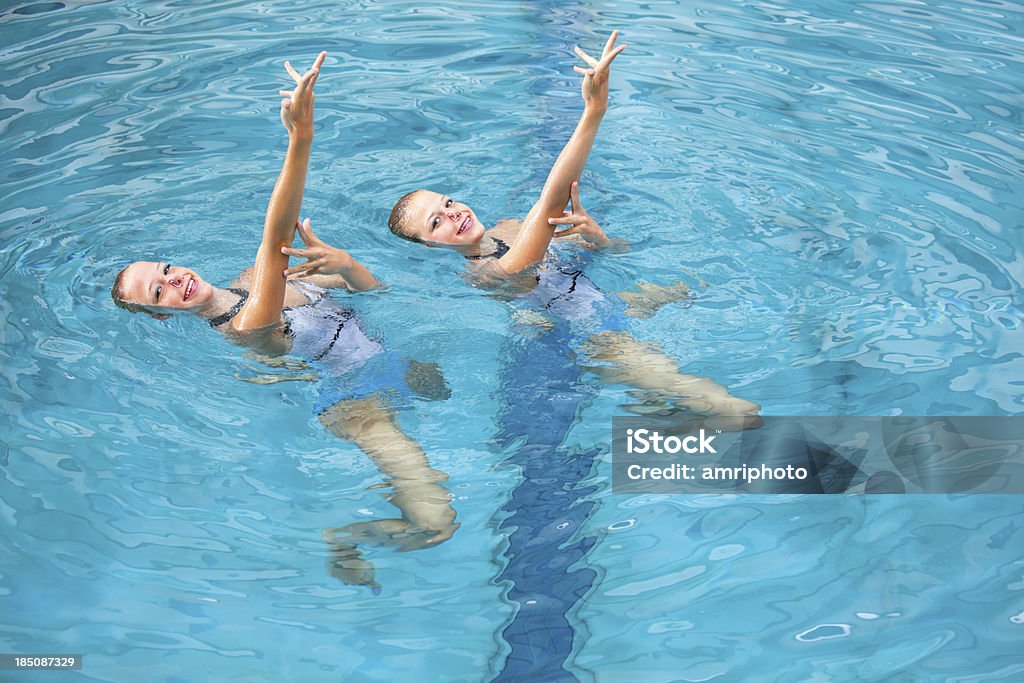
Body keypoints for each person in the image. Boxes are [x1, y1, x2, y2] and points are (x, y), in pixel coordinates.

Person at [110, 52, 456, 592]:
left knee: (445, 397)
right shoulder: (246, 324)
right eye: (160, 291)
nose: (174, 280)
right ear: (160, 313)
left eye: (168, 269)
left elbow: (377, 294)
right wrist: (301, 139)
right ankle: (345, 537)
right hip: (358, 407)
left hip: (390, 364)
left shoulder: (252, 277)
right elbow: (275, 238)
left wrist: (348, 266)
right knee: (436, 524)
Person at [384, 31, 761, 427]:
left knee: (693, 286)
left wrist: (597, 237)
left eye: (447, 202)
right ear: (428, 247)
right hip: (595, 339)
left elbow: (614, 252)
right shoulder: (485, 275)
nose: (453, 213)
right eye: (436, 222)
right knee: (731, 410)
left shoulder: (509, 226)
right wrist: (593, 111)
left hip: (613, 302)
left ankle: (646, 399)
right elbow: (551, 201)